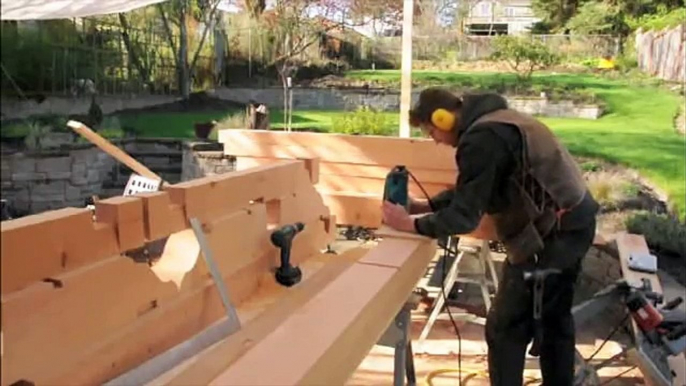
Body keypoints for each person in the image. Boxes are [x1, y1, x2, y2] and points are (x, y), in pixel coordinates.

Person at [382, 87, 599, 386]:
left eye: (431, 132)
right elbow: (476, 188)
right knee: (552, 322)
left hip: (553, 237)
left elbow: (464, 216)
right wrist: (425, 207)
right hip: (574, 224)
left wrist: (411, 225)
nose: (434, 140)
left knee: (505, 328)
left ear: (443, 119)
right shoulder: (498, 122)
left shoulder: (481, 140)